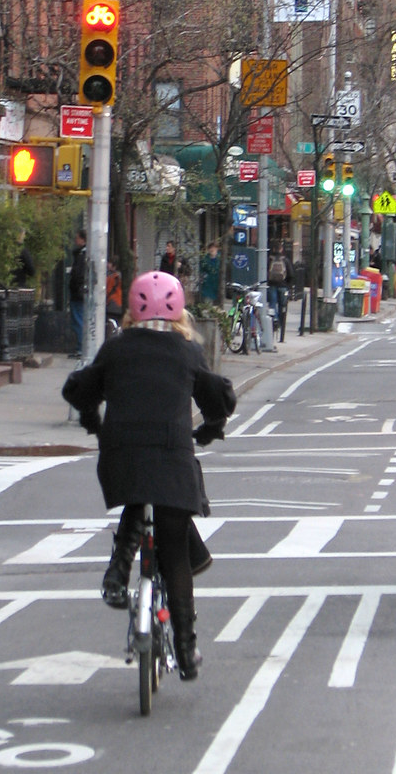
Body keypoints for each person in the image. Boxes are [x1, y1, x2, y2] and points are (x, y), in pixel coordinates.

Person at [61, 271, 236, 681]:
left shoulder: (116, 347)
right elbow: (218, 397)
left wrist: (92, 420)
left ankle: (117, 572)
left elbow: (80, 390)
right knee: (174, 547)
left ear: (132, 310)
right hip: (172, 456)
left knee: (139, 489)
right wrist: (211, 427)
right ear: (179, 311)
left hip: (121, 456)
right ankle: (187, 650)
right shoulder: (187, 351)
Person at [266, 243, 295, 342]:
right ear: (281, 249)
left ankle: (274, 319)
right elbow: (291, 274)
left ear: (274, 249)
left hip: (272, 285)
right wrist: (288, 285)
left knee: (272, 304)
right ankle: (280, 322)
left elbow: (265, 272)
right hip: (283, 285)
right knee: (282, 305)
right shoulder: (285, 260)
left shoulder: (270, 259)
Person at [68, 230, 86, 358]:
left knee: (78, 320)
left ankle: (80, 348)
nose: (75, 240)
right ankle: (81, 347)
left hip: (78, 293)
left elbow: (78, 275)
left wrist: (75, 286)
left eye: (77, 238)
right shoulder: (82, 254)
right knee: (79, 319)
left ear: (83, 240)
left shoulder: (81, 255)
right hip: (79, 292)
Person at [105, 258, 123, 326]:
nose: (107, 264)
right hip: (120, 304)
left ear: (114, 266)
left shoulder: (112, 277)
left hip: (112, 304)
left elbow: (107, 290)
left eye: (109, 263)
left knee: (110, 324)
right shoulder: (121, 276)